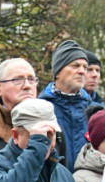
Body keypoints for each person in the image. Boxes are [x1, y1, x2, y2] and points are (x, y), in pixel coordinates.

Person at [38, 40, 91, 171]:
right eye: (75, 66)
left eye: (85, 67)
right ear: (58, 72)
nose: (82, 71)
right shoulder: (39, 109)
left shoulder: (97, 111)